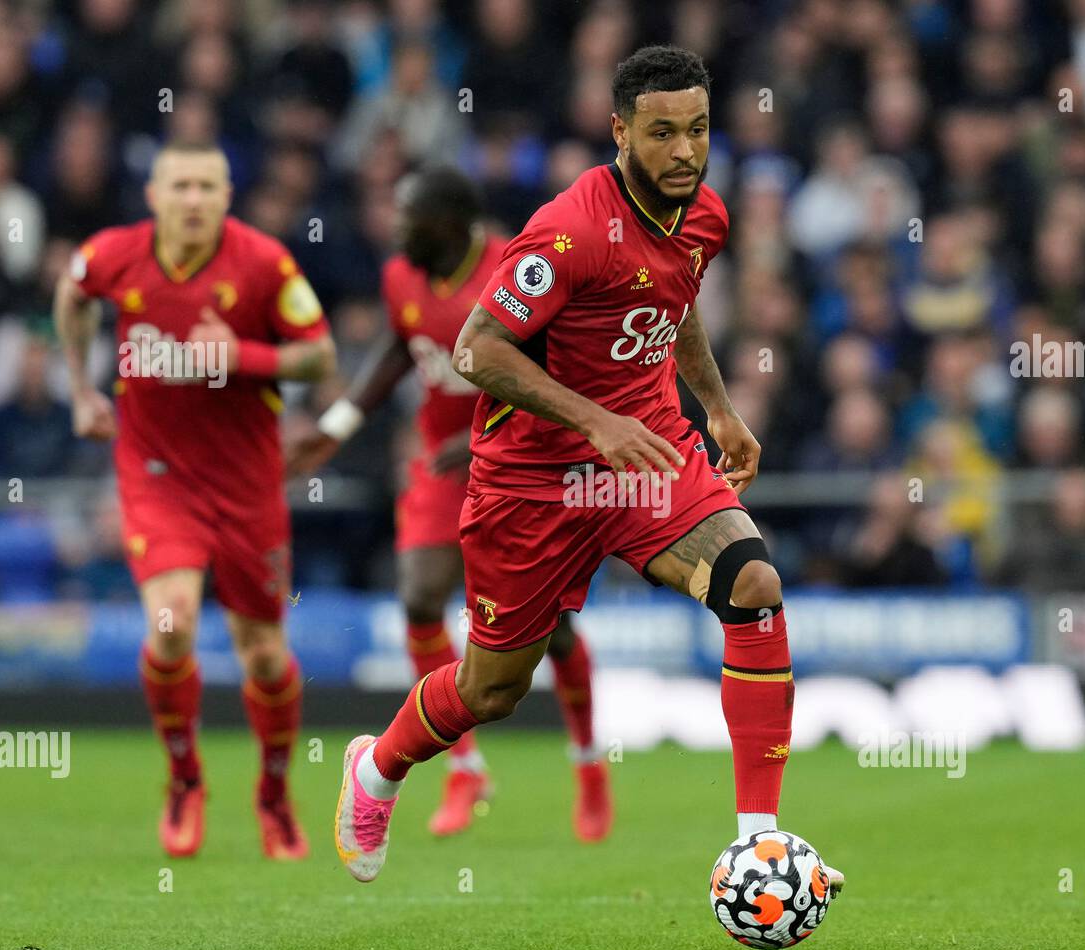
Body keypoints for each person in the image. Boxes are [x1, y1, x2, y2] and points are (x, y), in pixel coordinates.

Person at [332, 45, 844, 901]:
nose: (685, 151)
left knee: (752, 583)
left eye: (699, 131)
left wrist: (715, 406)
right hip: (533, 480)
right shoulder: (567, 231)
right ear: (619, 131)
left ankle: (759, 847)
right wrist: (594, 420)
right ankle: (377, 769)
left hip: (648, 456)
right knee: (491, 687)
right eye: (662, 134)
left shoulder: (707, 215)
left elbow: (670, 305)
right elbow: (477, 349)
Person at [287, 166, 610, 841]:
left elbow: (561, 369)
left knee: (552, 629)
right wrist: (337, 426)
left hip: (526, 456)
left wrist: (486, 434)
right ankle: (464, 767)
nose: (397, 229)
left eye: (409, 217)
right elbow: (405, 347)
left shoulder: (515, 268)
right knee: (419, 593)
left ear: (456, 223)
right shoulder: (403, 275)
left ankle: (587, 763)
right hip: (442, 461)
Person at [53, 140, 337, 859]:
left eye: (207, 185)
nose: (192, 198)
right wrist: (83, 391)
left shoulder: (265, 263)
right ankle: (185, 780)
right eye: (178, 184)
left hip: (247, 484)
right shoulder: (113, 255)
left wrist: (240, 356)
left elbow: (319, 355)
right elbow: (71, 294)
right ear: (152, 194)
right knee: (172, 626)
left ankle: (273, 797)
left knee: (266, 656)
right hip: (158, 476)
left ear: (226, 195)